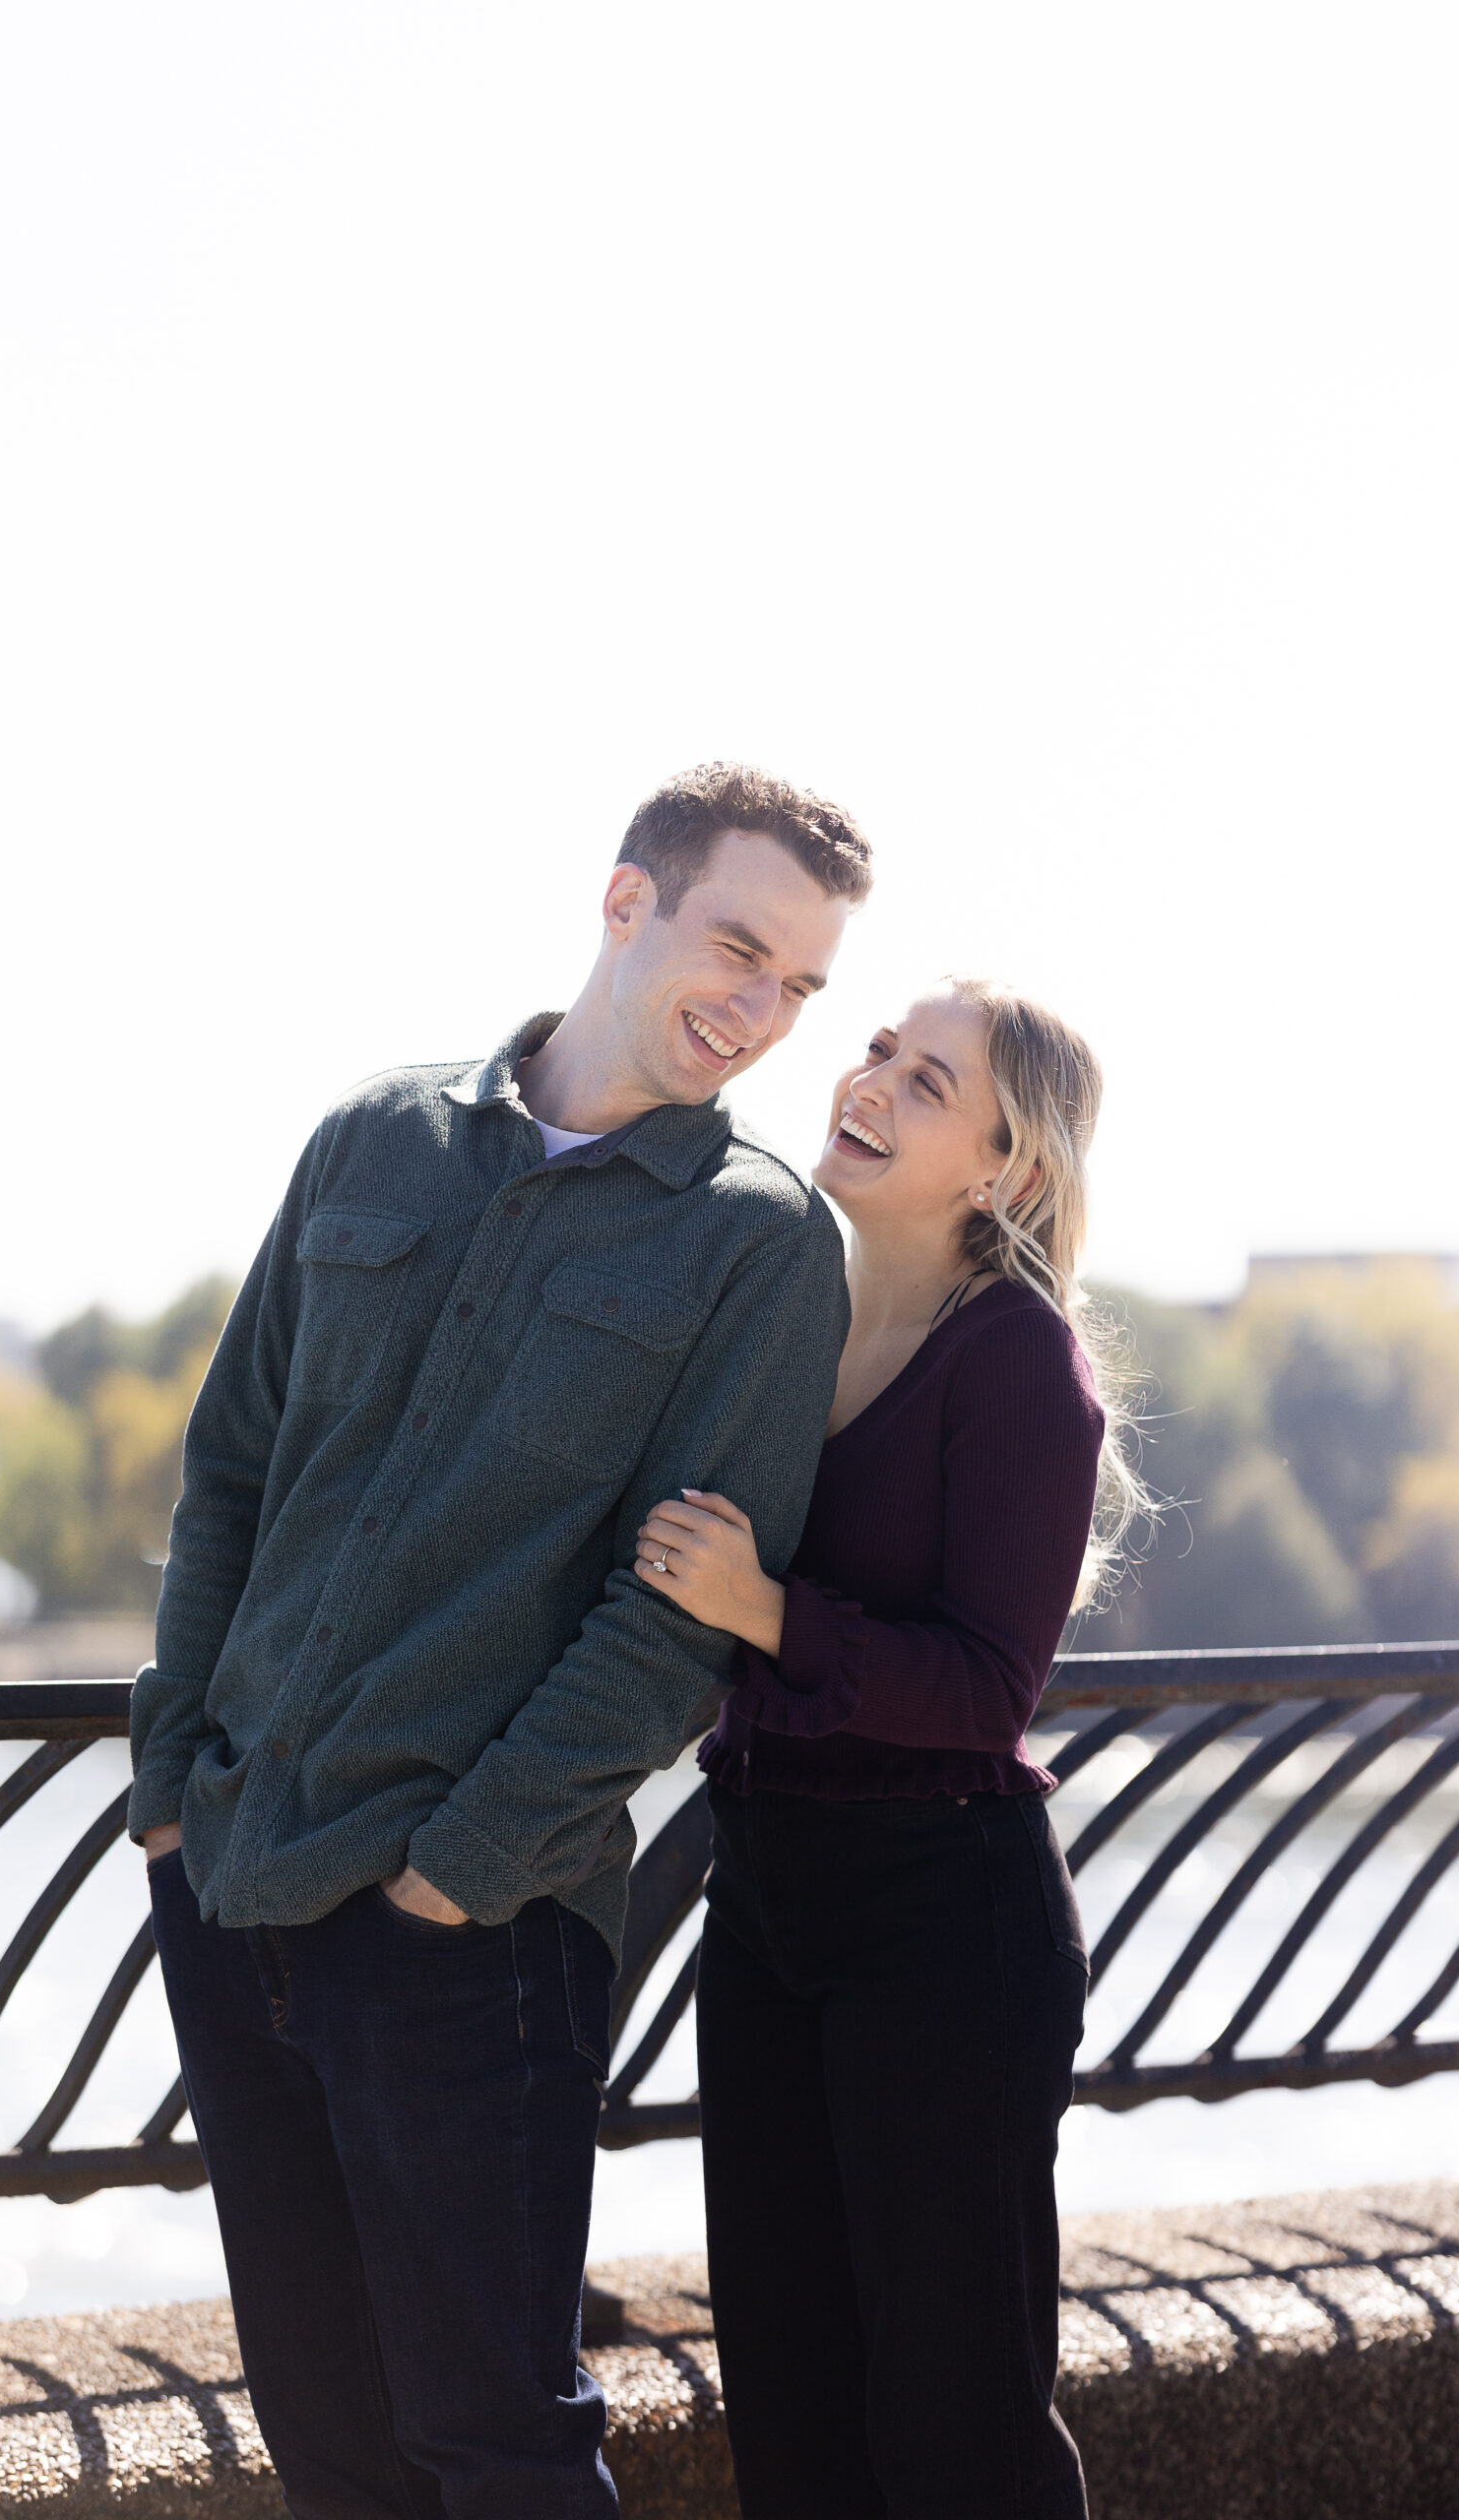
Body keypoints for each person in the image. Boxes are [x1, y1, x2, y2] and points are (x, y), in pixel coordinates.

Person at [129, 762, 872, 2520]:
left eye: (802, 987)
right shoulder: (374, 1139)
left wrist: (456, 1874)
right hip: (234, 1882)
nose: (761, 1013)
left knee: (498, 2447)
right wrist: (171, 1786)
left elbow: (665, 1632)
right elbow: (231, 1465)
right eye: (739, 949)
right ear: (628, 903)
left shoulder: (758, 1252)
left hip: (473, 1939)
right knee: (328, 2444)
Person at [634, 976, 1146, 2520]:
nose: (870, 1082)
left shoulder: (1019, 1367)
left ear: (1008, 1170)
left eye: (929, 1084)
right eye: (878, 1053)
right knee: (790, 2412)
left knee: (956, 2434)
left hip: (943, 1925)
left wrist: (767, 1612)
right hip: (771, 1894)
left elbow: (990, 1690)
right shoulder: (797, 1314)